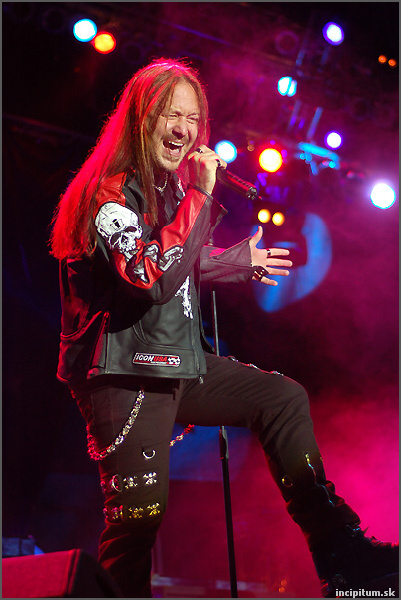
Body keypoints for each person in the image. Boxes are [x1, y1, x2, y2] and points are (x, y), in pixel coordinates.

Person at [50, 58, 398, 598]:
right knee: (138, 520)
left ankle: (341, 552)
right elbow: (149, 277)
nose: (183, 130)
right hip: (124, 374)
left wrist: (236, 261)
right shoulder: (107, 195)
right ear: (140, 119)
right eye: (170, 114)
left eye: (193, 118)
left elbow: (172, 262)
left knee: (281, 398)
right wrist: (200, 196)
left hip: (175, 362)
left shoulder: (167, 194)